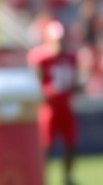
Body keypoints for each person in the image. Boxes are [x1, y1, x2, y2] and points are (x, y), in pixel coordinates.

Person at [27, 19, 81, 185]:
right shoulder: (41, 57)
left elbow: (74, 81)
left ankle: (68, 177)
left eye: (62, 40)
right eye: (57, 40)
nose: (60, 43)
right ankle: (41, 178)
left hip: (66, 106)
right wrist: (45, 93)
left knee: (71, 143)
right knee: (45, 146)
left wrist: (77, 87)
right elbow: (34, 83)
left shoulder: (71, 57)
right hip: (48, 108)